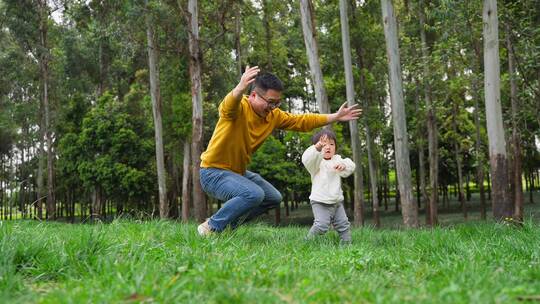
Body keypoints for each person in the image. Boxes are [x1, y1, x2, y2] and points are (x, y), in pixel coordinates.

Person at [197, 65, 361, 236]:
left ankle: (226, 227)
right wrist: (240, 87)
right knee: (253, 194)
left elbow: (302, 120)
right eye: (270, 102)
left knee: (272, 197)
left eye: (277, 103)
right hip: (212, 172)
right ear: (253, 95)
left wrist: (334, 116)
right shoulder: (239, 108)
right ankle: (211, 228)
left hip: (237, 173)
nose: (273, 107)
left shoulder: (273, 116)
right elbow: (228, 106)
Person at [302, 129, 355, 244]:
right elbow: (306, 159)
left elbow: (350, 165)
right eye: (324, 144)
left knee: (343, 225)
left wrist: (343, 165)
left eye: (331, 144)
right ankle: (307, 243)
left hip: (336, 201)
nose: (328, 147)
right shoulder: (315, 164)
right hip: (320, 201)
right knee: (321, 225)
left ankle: (347, 245)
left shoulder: (337, 159)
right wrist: (316, 148)